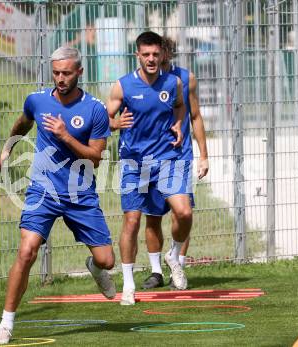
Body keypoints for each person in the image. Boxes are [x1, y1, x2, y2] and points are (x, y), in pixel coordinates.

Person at [0, 46, 116, 345]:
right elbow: (24, 122)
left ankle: (95, 268)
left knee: (107, 260)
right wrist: (9, 146)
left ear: (79, 72)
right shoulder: (37, 100)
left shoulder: (95, 110)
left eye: (67, 73)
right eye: (56, 73)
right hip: (42, 190)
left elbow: (96, 158)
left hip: (80, 194)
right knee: (26, 251)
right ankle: (6, 324)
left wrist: (65, 135)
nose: (60, 78)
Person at [106, 31, 187, 306]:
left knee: (184, 212)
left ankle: (174, 256)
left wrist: (177, 123)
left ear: (162, 55)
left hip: (167, 160)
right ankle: (128, 285)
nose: (151, 59)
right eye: (146, 54)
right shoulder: (123, 86)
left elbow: (179, 106)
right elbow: (104, 119)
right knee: (132, 221)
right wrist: (116, 124)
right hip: (134, 163)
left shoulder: (173, 83)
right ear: (137, 55)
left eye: (156, 54)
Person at [141, 37, 209, 290]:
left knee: (183, 213)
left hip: (178, 155)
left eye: (164, 51)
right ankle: (156, 272)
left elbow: (196, 116)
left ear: (168, 53)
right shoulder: (140, 80)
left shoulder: (185, 79)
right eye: (156, 51)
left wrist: (204, 155)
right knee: (152, 216)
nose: (159, 56)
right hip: (149, 155)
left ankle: (177, 266)